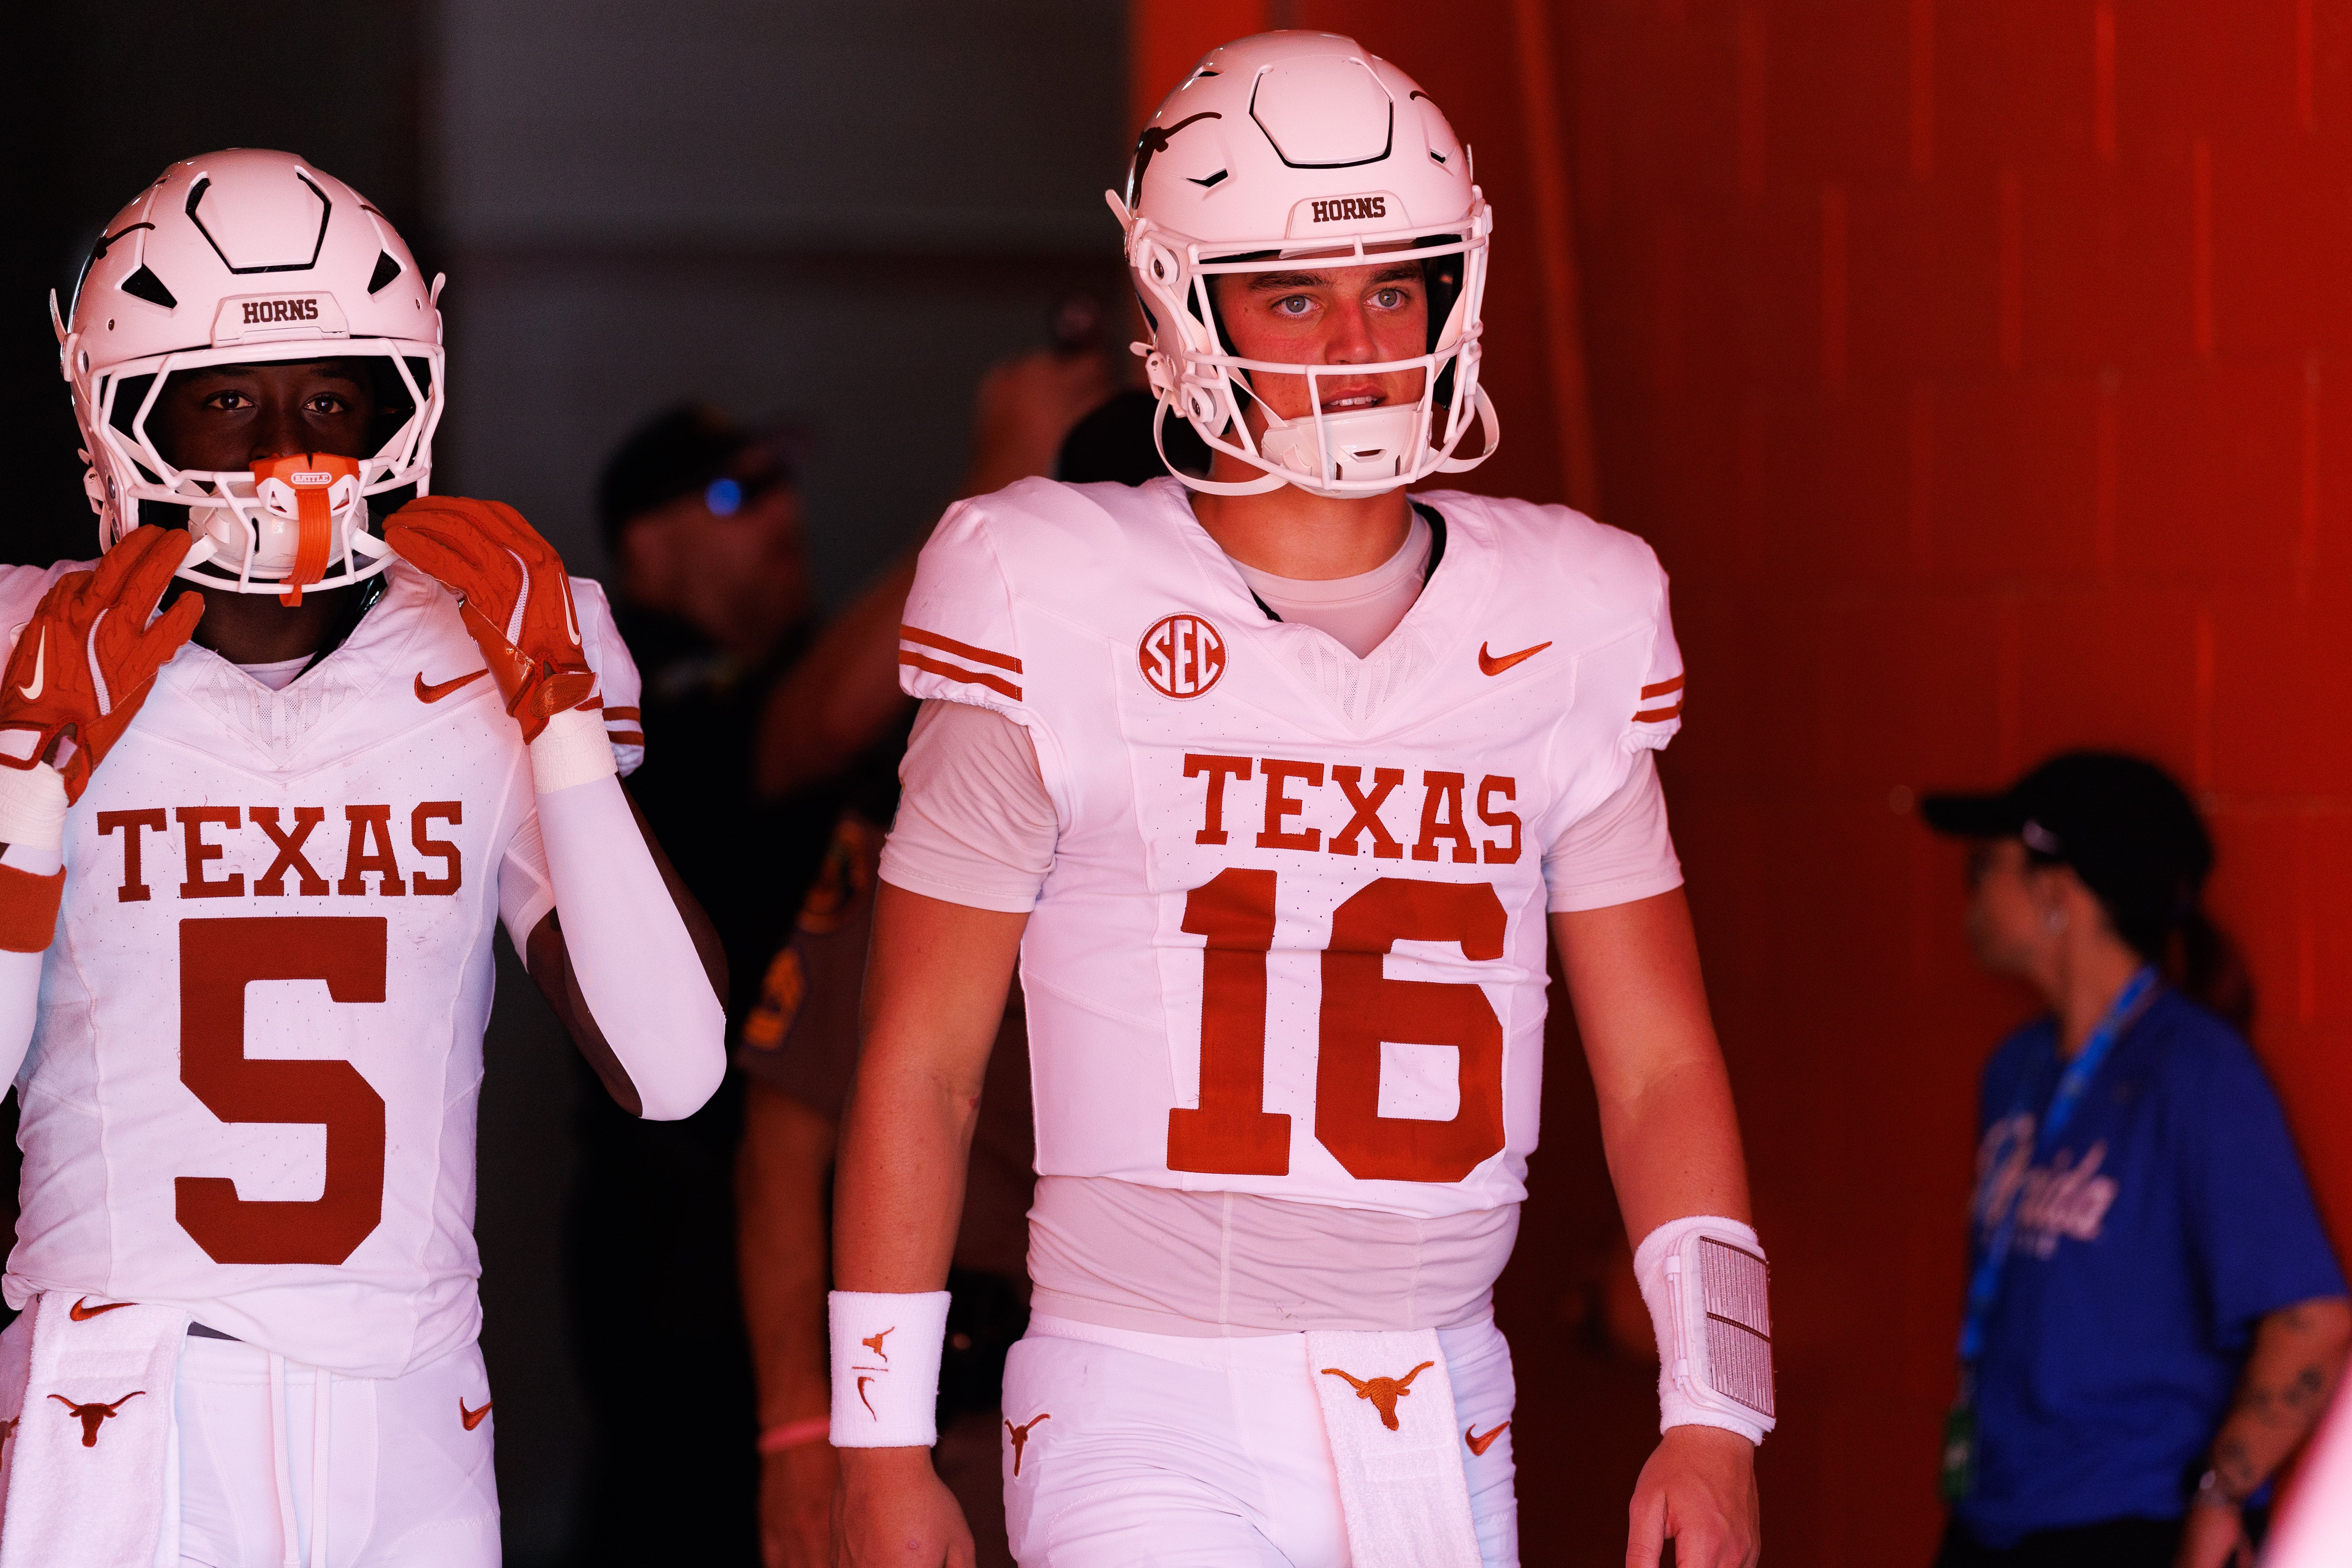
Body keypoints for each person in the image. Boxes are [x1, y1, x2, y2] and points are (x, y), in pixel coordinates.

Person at [827, 31, 1773, 1568]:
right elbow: (920, 1062)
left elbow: (1661, 1065)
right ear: (1187, 308)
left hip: (1441, 1389)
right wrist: (873, 1445)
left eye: (1392, 288)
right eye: (1293, 294)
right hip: (1146, 1393)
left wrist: (1717, 1410)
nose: (1357, 344)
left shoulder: (1571, 611)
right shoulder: (1050, 587)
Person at [0, 150, 726, 1565]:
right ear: (118, 413)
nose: (292, 449)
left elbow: (677, 1067)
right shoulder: (26, 637)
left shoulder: (499, 636)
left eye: (334, 397)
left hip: (407, 1393)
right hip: (121, 1395)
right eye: (227, 401)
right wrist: (29, 780)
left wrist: (559, 716)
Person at [734, 345, 1120, 1568]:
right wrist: (808, 1433)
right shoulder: (951, 780)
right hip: (974, 1410)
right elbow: (786, 1136)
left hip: (1213, 1398)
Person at [1920, 752, 2351, 1568]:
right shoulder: (2014, 1069)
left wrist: (2221, 1497)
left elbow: (2313, 1320)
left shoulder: (2196, 1072)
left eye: (1987, 866)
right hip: (1989, 1514)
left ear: (2058, 892)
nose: (1969, 892)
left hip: (2124, 1522)